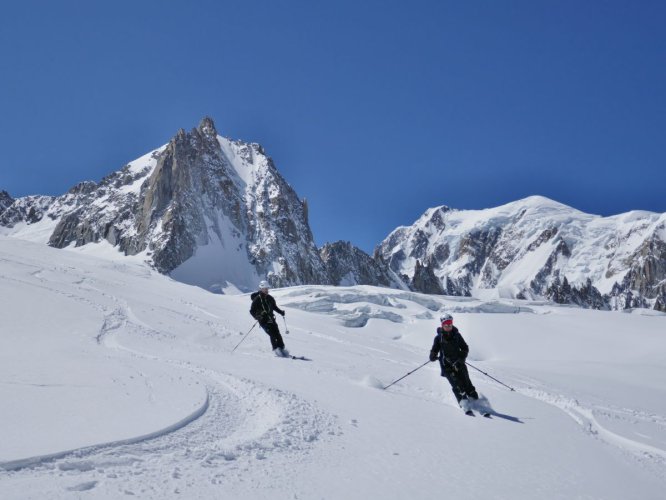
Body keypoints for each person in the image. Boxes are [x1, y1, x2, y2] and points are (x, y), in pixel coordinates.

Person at [429, 313, 478, 411]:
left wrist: (461, 359)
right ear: (442, 325)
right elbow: (434, 349)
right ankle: (464, 404)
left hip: (459, 363)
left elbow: (465, 348)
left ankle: (476, 402)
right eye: (446, 325)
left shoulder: (457, 335)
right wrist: (433, 355)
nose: (448, 327)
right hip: (446, 365)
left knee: (466, 383)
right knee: (456, 385)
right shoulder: (439, 338)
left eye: (450, 325)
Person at [249, 280, 289, 357]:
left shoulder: (270, 298)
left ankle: (281, 348)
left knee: (278, 334)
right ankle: (276, 350)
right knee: (272, 334)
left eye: (267, 288)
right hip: (263, 321)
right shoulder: (257, 299)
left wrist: (280, 312)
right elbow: (252, 311)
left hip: (271, 319)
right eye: (265, 289)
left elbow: (274, 307)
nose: (267, 290)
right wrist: (257, 317)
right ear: (261, 289)